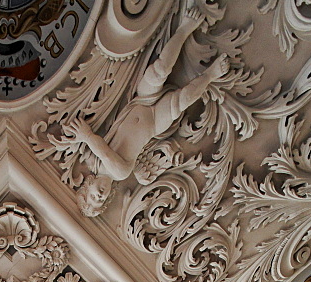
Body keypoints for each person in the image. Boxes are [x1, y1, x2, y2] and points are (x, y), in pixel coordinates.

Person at [63, 9, 229, 216]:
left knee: (159, 71)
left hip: (139, 103)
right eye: (101, 200)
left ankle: (184, 30)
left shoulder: (92, 160)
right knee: (182, 100)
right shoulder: (120, 174)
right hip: (154, 123)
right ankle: (210, 75)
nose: (99, 196)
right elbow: (105, 152)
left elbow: (98, 150)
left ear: (89, 183)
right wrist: (86, 136)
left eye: (93, 196)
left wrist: (82, 137)